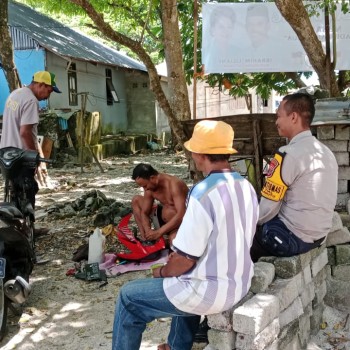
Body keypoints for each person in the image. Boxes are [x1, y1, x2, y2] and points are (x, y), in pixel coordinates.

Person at [112, 120, 259, 350]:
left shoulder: (202, 192)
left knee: (128, 298)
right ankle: (177, 345)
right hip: (239, 281)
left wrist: (160, 271)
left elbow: (183, 261)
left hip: (213, 291)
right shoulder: (246, 186)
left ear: (199, 153)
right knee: (183, 280)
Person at [250, 93, 338, 262]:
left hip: (291, 238)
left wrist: (246, 222)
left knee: (237, 241)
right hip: (318, 237)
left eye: (278, 116)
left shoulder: (286, 155)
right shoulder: (326, 152)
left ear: (293, 117)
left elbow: (266, 210)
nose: (276, 122)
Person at [0, 70, 61, 207]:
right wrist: (33, 157)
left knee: (13, 191)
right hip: (21, 154)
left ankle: (16, 226)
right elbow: (25, 132)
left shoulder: (15, 94)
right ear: (41, 85)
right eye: (49, 91)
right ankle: (28, 228)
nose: (48, 96)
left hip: (6, 153)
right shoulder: (31, 101)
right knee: (27, 191)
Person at [131, 163, 188, 246]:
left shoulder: (174, 184)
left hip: (179, 225)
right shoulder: (150, 188)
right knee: (136, 200)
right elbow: (144, 212)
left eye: (145, 185)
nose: (145, 189)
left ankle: (167, 239)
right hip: (162, 221)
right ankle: (146, 240)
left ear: (152, 178)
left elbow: (182, 214)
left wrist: (159, 232)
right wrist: (148, 230)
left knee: (175, 242)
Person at [203, 6, 238, 73]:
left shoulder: (239, 52)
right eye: (221, 27)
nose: (226, 31)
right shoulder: (207, 53)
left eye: (229, 27)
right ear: (213, 30)